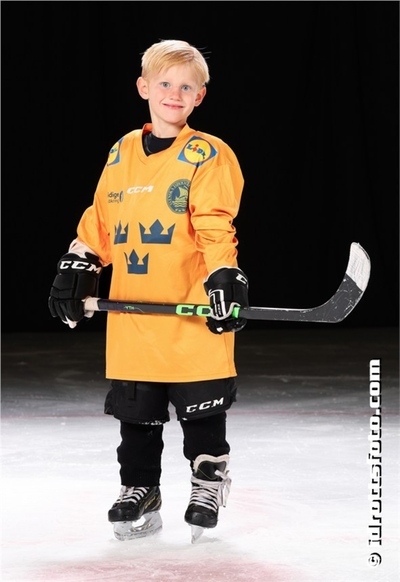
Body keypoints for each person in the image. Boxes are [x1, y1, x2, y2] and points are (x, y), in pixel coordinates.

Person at [48, 39, 249, 543]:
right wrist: (79, 260)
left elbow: (214, 223)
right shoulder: (121, 152)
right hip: (134, 316)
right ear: (143, 87)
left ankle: (207, 482)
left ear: (200, 96)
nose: (174, 94)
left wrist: (224, 274)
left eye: (186, 87)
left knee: (203, 412)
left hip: (192, 313)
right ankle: (141, 487)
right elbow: (102, 219)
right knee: (136, 417)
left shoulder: (207, 154)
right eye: (164, 83)